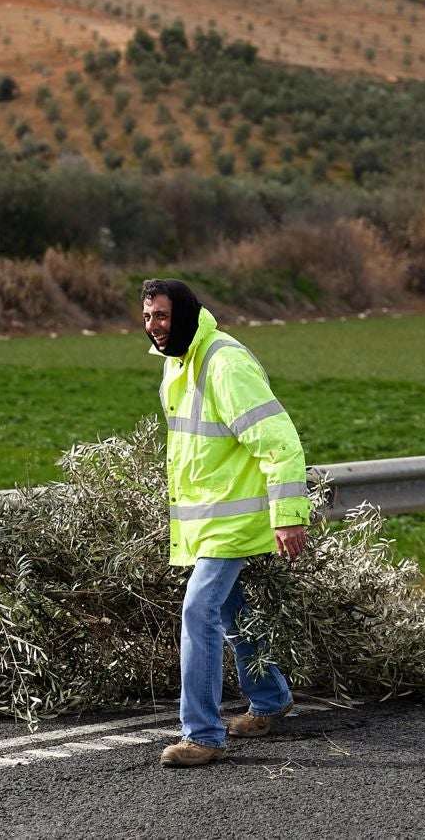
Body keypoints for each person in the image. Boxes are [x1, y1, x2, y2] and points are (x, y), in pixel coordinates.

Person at [140, 278, 311, 767]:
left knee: (199, 612)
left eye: (163, 317)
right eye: (148, 317)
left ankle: (203, 736)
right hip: (211, 517)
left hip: (234, 518)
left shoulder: (223, 363)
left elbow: (280, 442)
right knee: (231, 610)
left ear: (187, 315)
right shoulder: (179, 364)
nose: (154, 327)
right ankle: (271, 699)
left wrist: (289, 516)